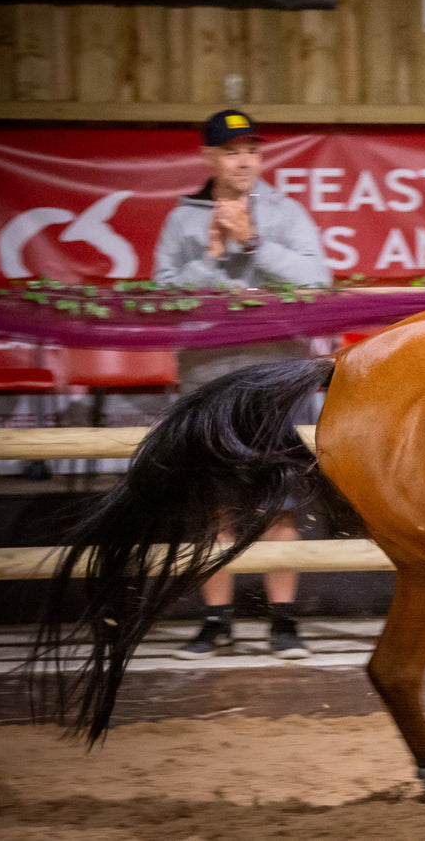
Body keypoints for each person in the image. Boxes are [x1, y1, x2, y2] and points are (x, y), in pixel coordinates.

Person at [154, 108, 332, 659]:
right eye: (232, 151)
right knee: (215, 509)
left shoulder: (287, 213)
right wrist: (209, 258)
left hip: (276, 380)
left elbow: (318, 281)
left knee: (280, 503)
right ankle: (217, 621)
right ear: (208, 157)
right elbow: (162, 299)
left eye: (252, 149)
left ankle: (283, 622)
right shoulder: (181, 221)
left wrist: (253, 243)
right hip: (207, 381)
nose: (245, 160)